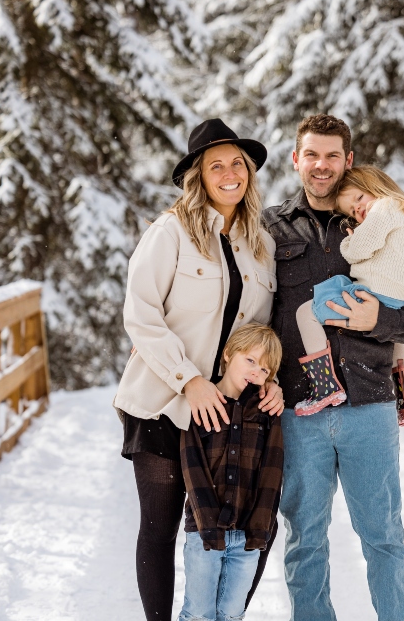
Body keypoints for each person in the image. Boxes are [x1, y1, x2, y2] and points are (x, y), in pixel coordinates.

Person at [262, 114, 404, 621]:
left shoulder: (377, 216)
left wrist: (378, 318)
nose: (322, 166)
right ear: (297, 159)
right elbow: (250, 310)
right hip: (299, 408)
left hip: (370, 406)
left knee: (384, 535)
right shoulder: (270, 227)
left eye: (333, 155)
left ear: (349, 160)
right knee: (304, 539)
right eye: (312, 155)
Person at [113, 119, 284, 621]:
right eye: (217, 166)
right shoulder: (171, 232)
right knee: (162, 528)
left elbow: (261, 329)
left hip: (230, 413)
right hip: (164, 404)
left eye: (238, 164)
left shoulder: (262, 245)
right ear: (199, 176)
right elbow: (140, 314)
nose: (230, 173)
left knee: (250, 530)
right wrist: (190, 381)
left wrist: (267, 378)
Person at [294, 165, 404, 422]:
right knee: (395, 338)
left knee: (306, 313)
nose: (358, 210)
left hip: (374, 295)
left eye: (359, 199)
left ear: (377, 186)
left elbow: (357, 250)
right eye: (352, 211)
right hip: (402, 300)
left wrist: (350, 240)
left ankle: (324, 386)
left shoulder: (385, 207)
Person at [178, 323, 283, 621]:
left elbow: (271, 475)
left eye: (264, 370)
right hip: (203, 532)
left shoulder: (267, 415)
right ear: (227, 354)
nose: (256, 372)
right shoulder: (202, 405)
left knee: (232, 614)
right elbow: (192, 467)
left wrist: (259, 529)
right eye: (250, 360)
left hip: (247, 536)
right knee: (199, 614)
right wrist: (209, 524)